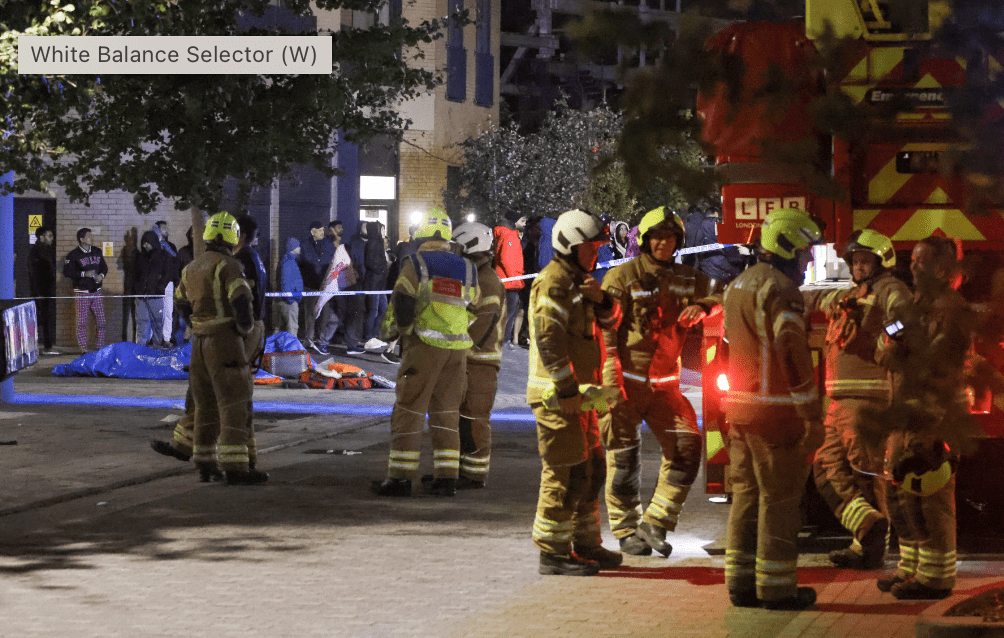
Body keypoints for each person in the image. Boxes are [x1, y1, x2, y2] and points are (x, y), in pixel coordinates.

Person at [598, 207, 722, 557]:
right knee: (623, 460)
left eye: (670, 238)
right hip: (626, 383)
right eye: (657, 237)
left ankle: (656, 523)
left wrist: (704, 306)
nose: (664, 244)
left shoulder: (687, 277)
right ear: (645, 240)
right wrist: (611, 378)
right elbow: (606, 330)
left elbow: (724, 293)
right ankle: (625, 531)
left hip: (666, 387)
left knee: (687, 447)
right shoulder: (622, 277)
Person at [722, 208, 824, 610]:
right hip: (775, 413)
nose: (806, 263)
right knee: (780, 500)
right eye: (804, 254)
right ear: (788, 247)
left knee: (746, 496)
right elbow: (792, 354)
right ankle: (778, 589)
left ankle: (741, 583)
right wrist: (810, 413)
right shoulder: (782, 290)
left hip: (740, 412)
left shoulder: (738, 285)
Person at [874, 234, 976, 600]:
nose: (913, 267)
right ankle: (911, 568)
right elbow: (886, 341)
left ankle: (935, 578)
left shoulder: (951, 309)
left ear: (944, 269)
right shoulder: (916, 304)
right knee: (902, 494)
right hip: (905, 414)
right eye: (912, 260)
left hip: (933, 419)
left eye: (922, 261)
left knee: (930, 496)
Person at [802, 230, 910, 571]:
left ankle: (872, 550)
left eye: (865, 260)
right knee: (824, 467)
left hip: (867, 400)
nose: (859, 266)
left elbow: (907, 318)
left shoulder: (889, 288)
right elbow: (811, 299)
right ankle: (866, 528)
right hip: (840, 401)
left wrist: (882, 341)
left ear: (881, 261)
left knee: (866, 474)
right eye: (855, 261)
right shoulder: (851, 293)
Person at [527, 209, 623, 577]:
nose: (595, 254)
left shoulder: (581, 282)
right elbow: (549, 340)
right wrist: (567, 389)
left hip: (580, 396)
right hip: (557, 397)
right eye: (589, 247)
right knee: (563, 473)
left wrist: (601, 300)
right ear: (569, 245)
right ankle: (553, 552)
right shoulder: (553, 283)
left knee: (591, 469)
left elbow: (612, 322)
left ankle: (585, 542)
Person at [372, 207, 480, 498]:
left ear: (420, 234)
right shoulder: (467, 267)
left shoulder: (416, 262)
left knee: (409, 409)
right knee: (446, 412)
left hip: (424, 346)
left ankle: (400, 478)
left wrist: (403, 333)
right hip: (457, 350)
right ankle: (446, 478)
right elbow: (473, 305)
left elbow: (403, 299)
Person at [174, 212, 267, 485]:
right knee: (234, 403)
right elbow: (240, 302)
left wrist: (195, 321)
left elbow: (180, 301)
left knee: (205, 405)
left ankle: (204, 463)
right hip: (224, 341)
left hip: (198, 343)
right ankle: (236, 467)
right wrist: (245, 329)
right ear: (232, 237)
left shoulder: (192, 266)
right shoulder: (229, 266)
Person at [429, 221, 504, 489]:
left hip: (480, 362)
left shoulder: (487, 281)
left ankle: (473, 475)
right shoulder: (475, 277)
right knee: (461, 418)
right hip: (469, 360)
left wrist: (460, 350)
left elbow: (483, 326)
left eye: (459, 248)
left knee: (474, 419)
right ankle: (459, 471)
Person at [63, 227, 108, 353]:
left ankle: (100, 347)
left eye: (91, 236)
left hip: (97, 291)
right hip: (82, 292)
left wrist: (101, 276)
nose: (91, 238)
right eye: (88, 236)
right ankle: (83, 349)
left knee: (101, 322)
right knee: (82, 322)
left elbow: (104, 268)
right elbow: (67, 272)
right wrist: (84, 274)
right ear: (82, 239)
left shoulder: (97, 251)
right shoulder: (73, 255)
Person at [298, 221, 335, 350]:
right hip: (309, 286)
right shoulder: (304, 245)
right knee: (309, 314)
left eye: (323, 230)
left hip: (324, 286)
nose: (322, 232)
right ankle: (309, 339)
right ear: (312, 232)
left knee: (324, 313)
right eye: (319, 230)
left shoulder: (329, 245)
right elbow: (300, 264)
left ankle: (321, 340)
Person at [132, 230, 172, 347]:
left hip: (155, 296)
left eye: (147, 243)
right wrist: (137, 288)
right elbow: (135, 274)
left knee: (158, 323)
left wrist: (160, 287)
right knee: (141, 322)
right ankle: (140, 347)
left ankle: (157, 347)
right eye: (143, 243)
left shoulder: (164, 256)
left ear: (152, 242)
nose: (144, 245)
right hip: (141, 297)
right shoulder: (140, 257)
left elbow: (167, 274)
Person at [493, 220, 524, 347]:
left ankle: (501, 339)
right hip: (509, 283)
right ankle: (504, 340)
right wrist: (515, 278)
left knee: (504, 313)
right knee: (508, 314)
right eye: (523, 220)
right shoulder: (510, 236)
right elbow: (507, 259)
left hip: (504, 281)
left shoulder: (503, 235)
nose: (525, 223)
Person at [28, 227, 58, 354]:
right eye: (49, 236)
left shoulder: (42, 250)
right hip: (43, 290)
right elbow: (38, 273)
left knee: (44, 317)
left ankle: (45, 346)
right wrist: (40, 291)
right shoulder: (40, 251)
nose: (51, 239)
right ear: (41, 237)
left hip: (44, 290)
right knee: (44, 317)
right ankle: (46, 346)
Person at [362, 221, 390, 351]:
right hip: (374, 283)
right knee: (373, 310)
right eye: (382, 230)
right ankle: (369, 337)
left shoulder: (377, 242)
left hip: (380, 284)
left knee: (383, 309)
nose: (384, 232)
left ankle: (375, 335)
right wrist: (381, 270)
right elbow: (370, 262)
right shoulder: (373, 242)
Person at [153, 221, 179, 345]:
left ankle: (167, 338)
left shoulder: (170, 246)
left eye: (166, 228)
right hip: (156, 283)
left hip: (168, 283)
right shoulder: (153, 245)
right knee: (156, 312)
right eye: (162, 228)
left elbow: (175, 259)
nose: (165, 231)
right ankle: (155, 338)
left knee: (168, 312)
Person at [276, 237, 303, 336]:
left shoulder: (288, 261)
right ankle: (292, 351)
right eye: (298, 246)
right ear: (293, 248)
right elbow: (285, 282)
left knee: (281, 329)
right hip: (289, 302)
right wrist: (290, 299)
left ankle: (274, 350)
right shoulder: (289, 262)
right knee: (292, 328)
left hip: (285, 300)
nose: (300, 248)